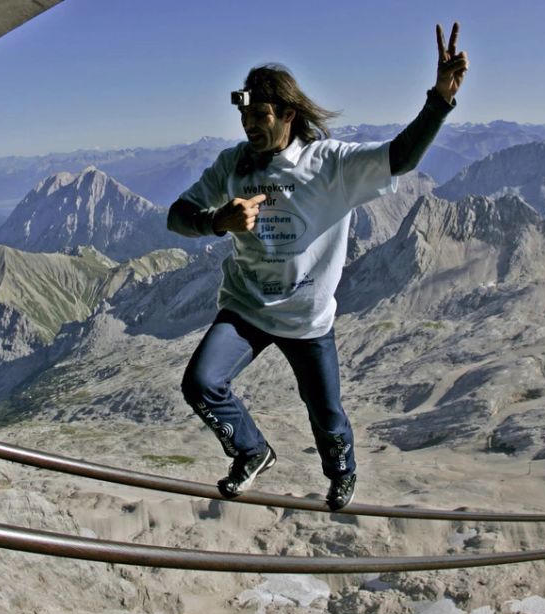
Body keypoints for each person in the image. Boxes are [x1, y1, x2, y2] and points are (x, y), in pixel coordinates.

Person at [167, 24, 468, 510]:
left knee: (325, 413)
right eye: (244, 115)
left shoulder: (329, 164)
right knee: (200, 384)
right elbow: (177, 215)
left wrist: (439, 99)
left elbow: (401, 157)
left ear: (287, 113)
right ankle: (252, 450)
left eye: (259, 115)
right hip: (246, 307)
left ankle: (342, 470)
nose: (249, 126)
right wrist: (215, 221)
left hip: (307, 319)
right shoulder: (233, 165)